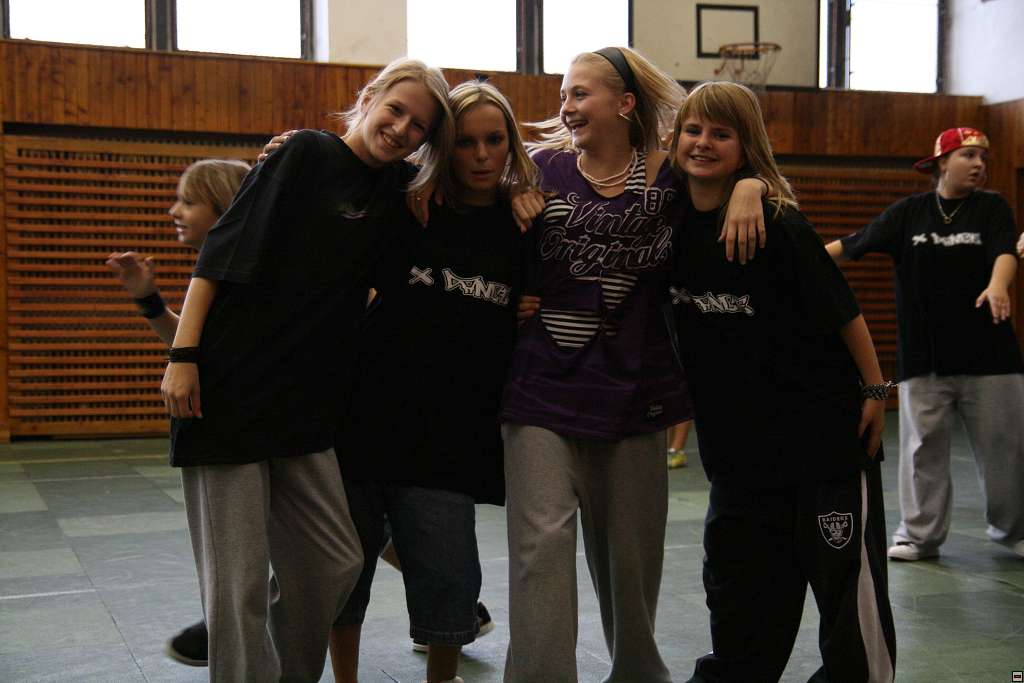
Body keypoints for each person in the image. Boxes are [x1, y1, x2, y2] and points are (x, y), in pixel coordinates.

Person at [159, 57, 453, 682]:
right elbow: (220, 254)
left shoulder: (396, 191)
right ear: (368, 98)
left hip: (306, 409)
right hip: (230, 394)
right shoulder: (305, 154)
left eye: (419, 126)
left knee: (335, 558)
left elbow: (472, 178)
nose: (402, 129)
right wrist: (183, 357)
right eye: (396, 110)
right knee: (237, 586)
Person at [499, 47, 769, 683]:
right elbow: (448, 181)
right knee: (541, 549)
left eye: (580, 93)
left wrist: (750, 187)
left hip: (637, 392)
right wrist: (511, 199)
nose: (566, 106)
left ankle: (639, 673)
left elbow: (743, 171)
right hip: (541, 388)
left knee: (631, 560)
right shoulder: (538, 168)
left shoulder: (672, 174)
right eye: (563, 95)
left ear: (624, 103)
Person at [668, 80, 896, 682]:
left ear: (746, 148)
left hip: (822, 448)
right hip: (738, 459)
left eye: (722, 133)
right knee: (740, 598)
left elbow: (844, 311)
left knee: (846, 605)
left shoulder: (778, 225)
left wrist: (875, 390)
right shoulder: (665, 220)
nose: (703, 142)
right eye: (694, 129)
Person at [327, 79, 533, 683]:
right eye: (465, 142)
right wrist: (290, 146)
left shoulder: (524, 224)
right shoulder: (408, 203)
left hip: (452, 442)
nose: (482, 155)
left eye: (495, 140)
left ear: (511, 143)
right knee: (345, 575)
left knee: (449, 584)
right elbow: (343, 171)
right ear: (444, 146)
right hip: (364, 423)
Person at [826, 127, 1024, 562]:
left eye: (983, 158)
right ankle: (919, 537)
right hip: (923, 358)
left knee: (1006, 452)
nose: (978, 164)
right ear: (941, 162)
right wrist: (800, 262)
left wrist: (997, 285)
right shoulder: (909, 213)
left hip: (992, 360)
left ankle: (1014, 531)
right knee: (921, 452)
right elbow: (853, 244)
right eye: (968, 155)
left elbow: (1004, 252)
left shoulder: (991, 208)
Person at [107, 159, 251, 667]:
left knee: (342, 543)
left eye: (189, 202)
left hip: (248, 432)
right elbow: (192, 345)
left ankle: (233, 625)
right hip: (234, 432)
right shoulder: (211, 270)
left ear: (224, 209)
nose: (175, 210)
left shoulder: (236, 272)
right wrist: (148, 300)